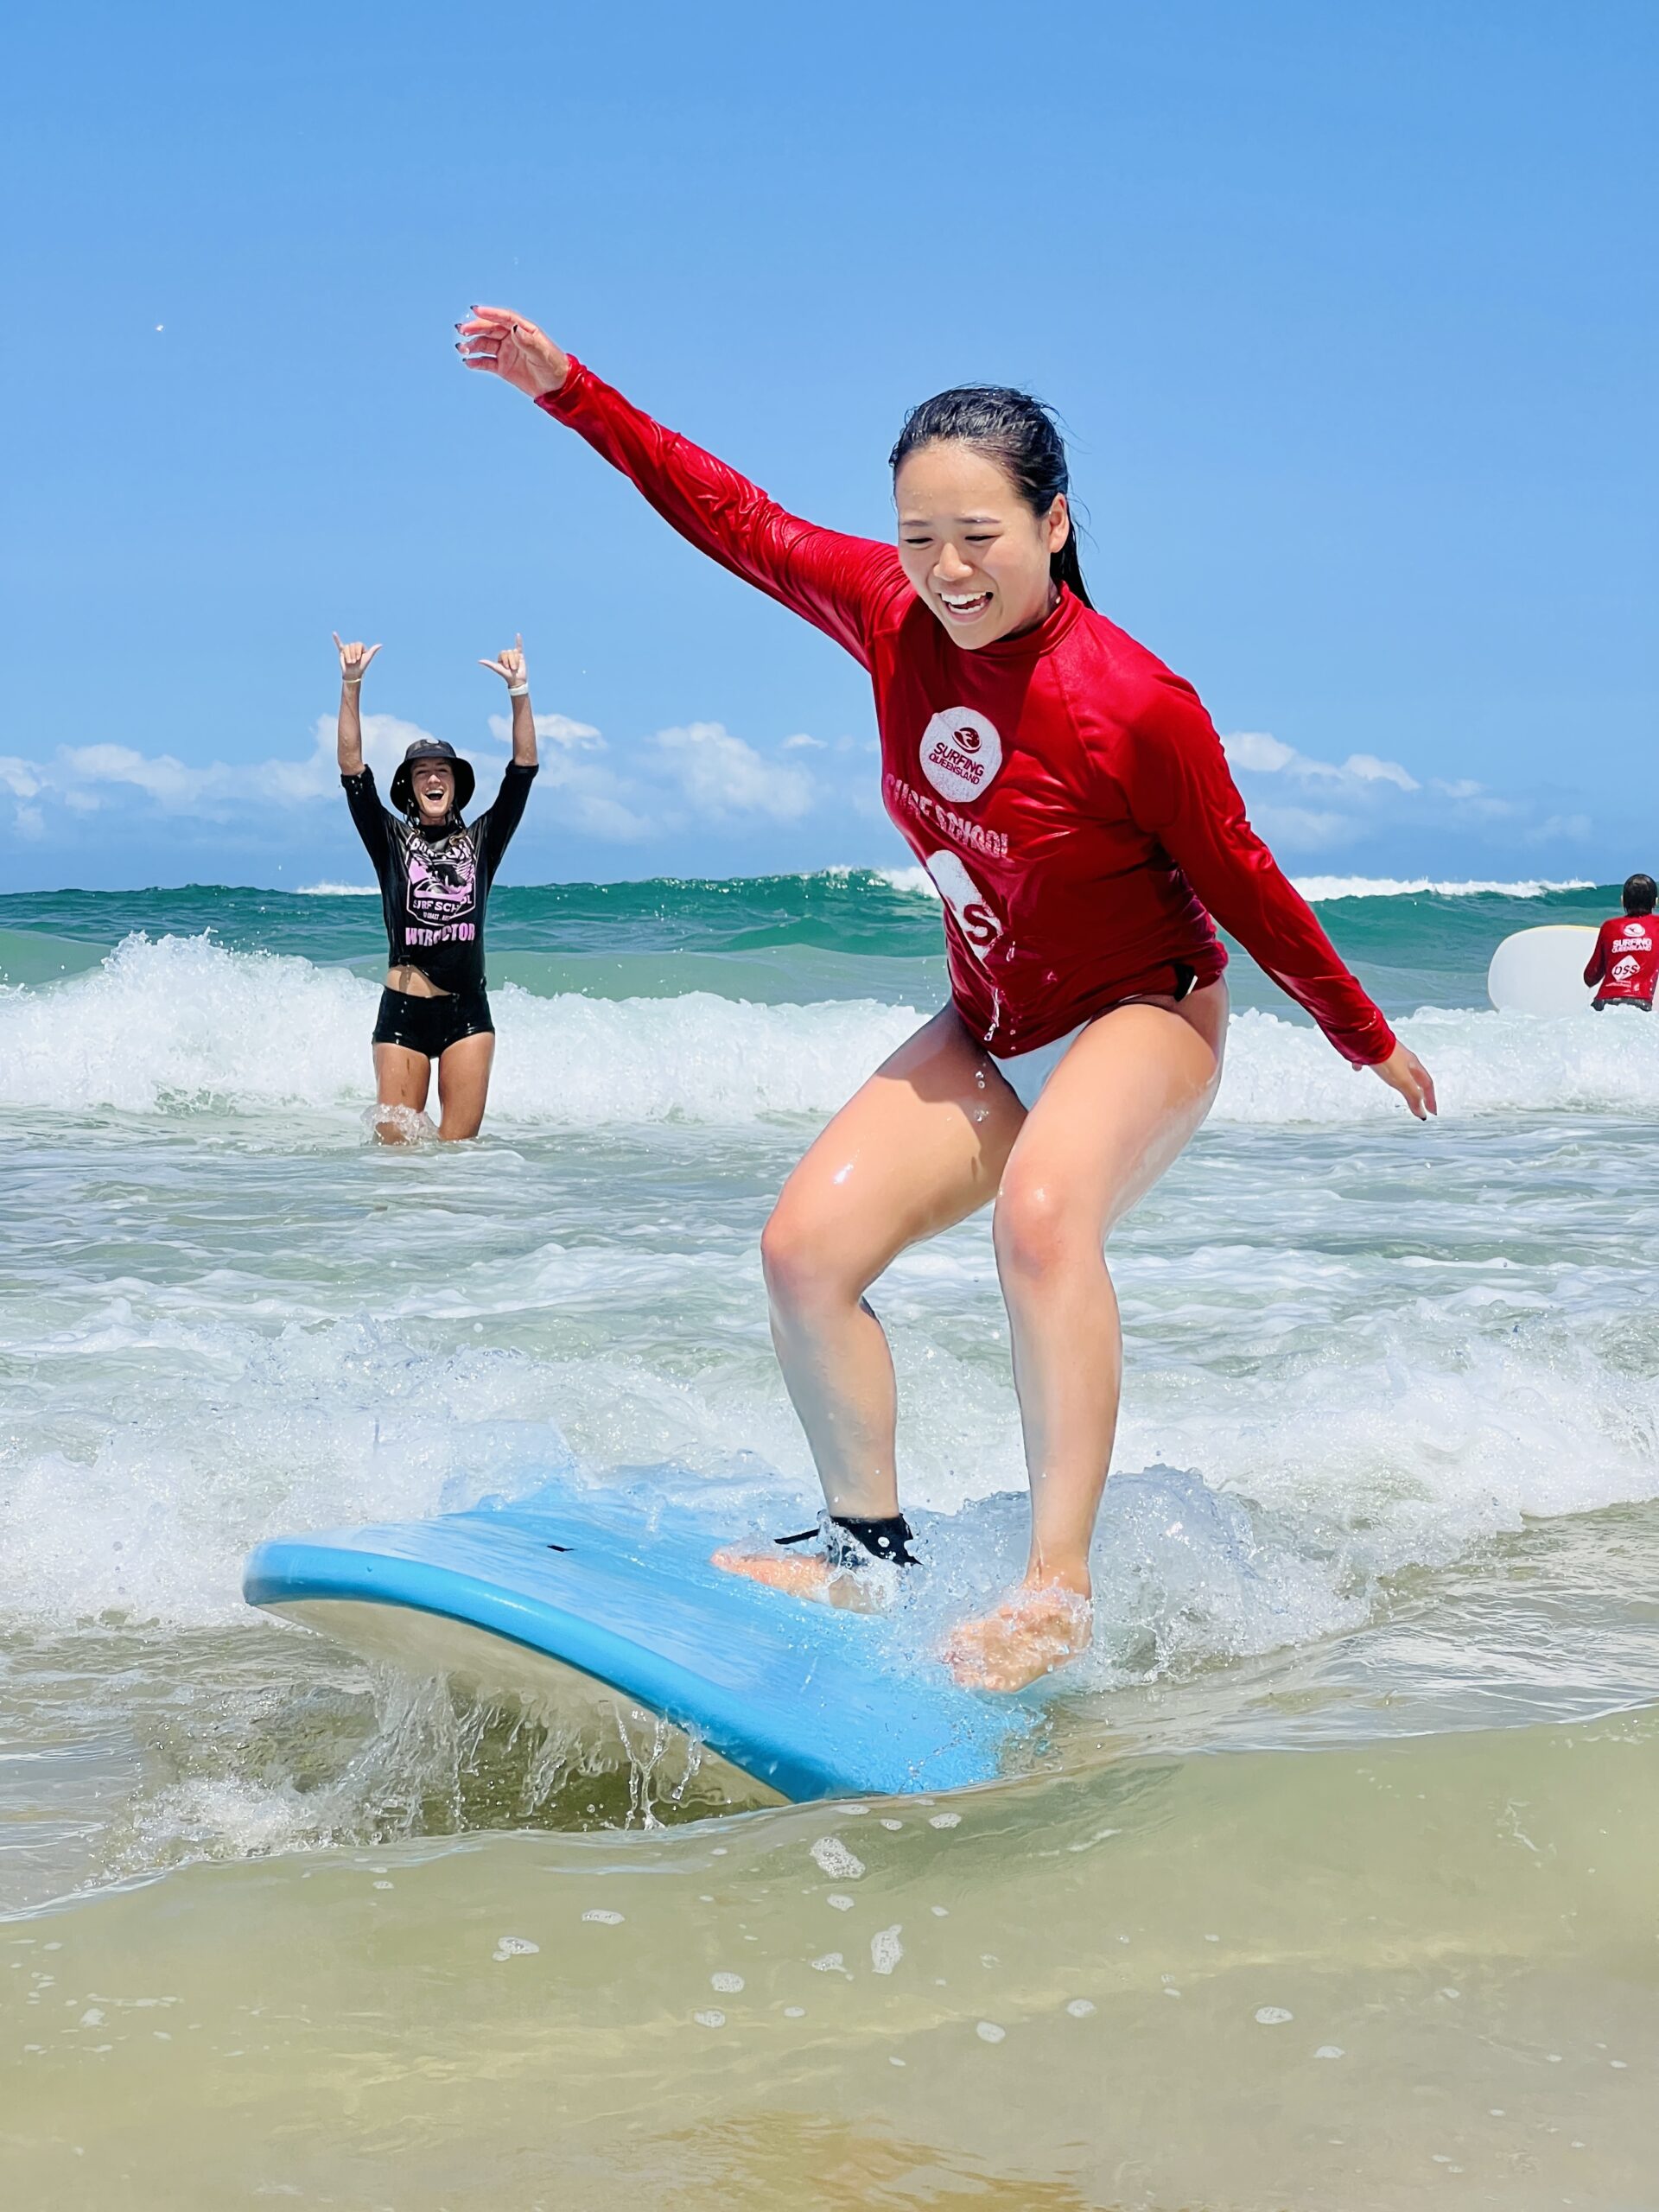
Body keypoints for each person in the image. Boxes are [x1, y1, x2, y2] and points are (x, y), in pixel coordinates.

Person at [458, 306, 1437, 1691]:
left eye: (978, 534)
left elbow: (1245, 878)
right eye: (919, 537)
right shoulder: (886, 613)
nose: (947, 569)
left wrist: (1363, 1035)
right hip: (992, 1025)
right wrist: (570, 392)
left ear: (1050, 522)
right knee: (802, 1252)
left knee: (1043, 1219)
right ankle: (865, 1555)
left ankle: (1056, 1587)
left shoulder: (1136, 702)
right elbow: (730, 514)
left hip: (1142, 1015)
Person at [334, 632, 540, 1140]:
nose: (433, 778)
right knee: (398, 1159)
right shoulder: (389, 839)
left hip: (468, 1012)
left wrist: (520, 691)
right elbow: (351, 769)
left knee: (459, 1158)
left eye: (441, 770)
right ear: (410, 787)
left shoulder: (482, 841)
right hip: (405, 1009)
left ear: (453, 783)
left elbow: (523, 772)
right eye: (422, 771)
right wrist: (351, 684)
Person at [1583, 874, 1657, 1013]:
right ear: (1655, 902)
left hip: (1602, 1003)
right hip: (1639, 1005)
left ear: (1623, 901)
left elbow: (1590, 977)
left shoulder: (1609, 926)